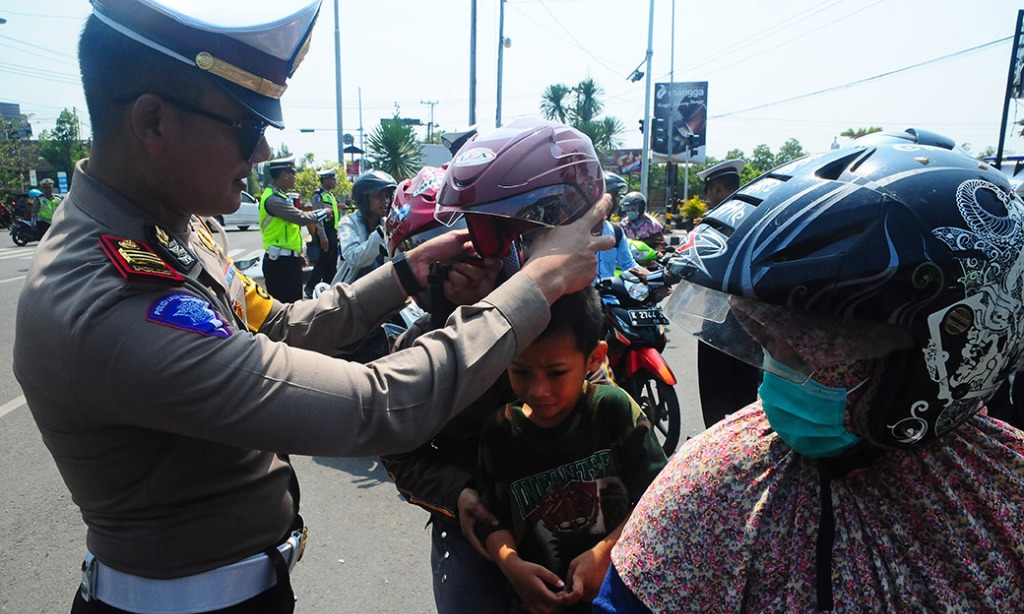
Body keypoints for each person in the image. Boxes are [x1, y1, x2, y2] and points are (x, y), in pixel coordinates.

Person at [12, 4, 612, 613]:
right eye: (247, 127)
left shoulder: (170, 230)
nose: (265, 148)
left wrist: (404, 272)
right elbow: (375, 407)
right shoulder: (111, 300)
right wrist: (538, 283)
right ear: (154, 122)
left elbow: (277, 328)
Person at [593, 129, 1024, 612]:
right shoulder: (709, 487)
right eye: (768, 343)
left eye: (807, 354)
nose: (774, 373)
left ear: (949, 351)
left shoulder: (1006, 488)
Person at [382, 121, 615, 614]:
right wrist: (459, 494)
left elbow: (611, 427)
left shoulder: (564, 312)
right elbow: (399, 453)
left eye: (482, 247)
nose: (466, 267)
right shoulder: (419, 344)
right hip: (477, 526)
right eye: (444, 262)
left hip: (576, 519)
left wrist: (607, 545)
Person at [477, 286, 668, 613]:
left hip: (619, 594)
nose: (538, 390)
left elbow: (661, 498)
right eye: (520, 371)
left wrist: (607, 552)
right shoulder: (500, 430)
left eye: (556, 373)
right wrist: (513, 568)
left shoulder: (612, 410)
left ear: (594, 358)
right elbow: (491, 521)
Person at [694, 157, 762, 428]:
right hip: (752, 321)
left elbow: (692, 263)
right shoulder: (757, 216)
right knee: (746, 392)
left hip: (717, 320)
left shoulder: (712, 223)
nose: (709, 198)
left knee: (715, 395)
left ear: (716, 190)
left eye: (709, 191)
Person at [259, 155, 328, 302]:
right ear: (284, 175)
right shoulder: (273, 199)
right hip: (279, 263)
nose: (295, 177)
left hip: (287, 260)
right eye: (293, 173)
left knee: (294, 305)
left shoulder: (281, 197)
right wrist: (324, 212)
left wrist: (297, 253)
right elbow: (300, 218)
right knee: (284, 310)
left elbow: (289, 229)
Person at [331, 169, 396, 284]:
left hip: (381, 289)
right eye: (379, 196)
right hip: (349, 290)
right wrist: (381, 233)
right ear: (363, 199)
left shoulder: (386, 223)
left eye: (387, 196)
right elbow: (353, 258)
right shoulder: (348, 223)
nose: (385, 201)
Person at [303, 168, 341, 297]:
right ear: (325, 180)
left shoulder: (329, 195)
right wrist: (323, 236)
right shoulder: (318, 196)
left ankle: (328, 287)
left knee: (331, 262)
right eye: (333, 179)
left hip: (332, 231)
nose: (335, 181)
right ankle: (310, 287)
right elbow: (318, 218)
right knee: (323, 261)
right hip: (325, 232)